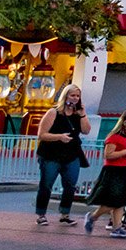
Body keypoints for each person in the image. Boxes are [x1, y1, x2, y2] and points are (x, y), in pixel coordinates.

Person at [34, 85, 91, 226]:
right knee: (46, 184)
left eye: (77, 96)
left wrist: (83, 114)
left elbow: (86, 130)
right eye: (72, 95)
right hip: (51, 154)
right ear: (65, 96)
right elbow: (41, 134)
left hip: (72, 154)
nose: (75, 99)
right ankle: (41, 214)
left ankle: (65, 214)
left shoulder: (78, 115)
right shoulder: (54, 112)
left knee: (70, 185)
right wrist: (59, 137)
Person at [86, 110, 126, 239]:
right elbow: (108, 155)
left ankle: (117, 227)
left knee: (121, 201)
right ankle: (93, 216)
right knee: (113, 200)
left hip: (124, 169)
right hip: (113, 170)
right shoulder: (113, 137)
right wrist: (125, 152)